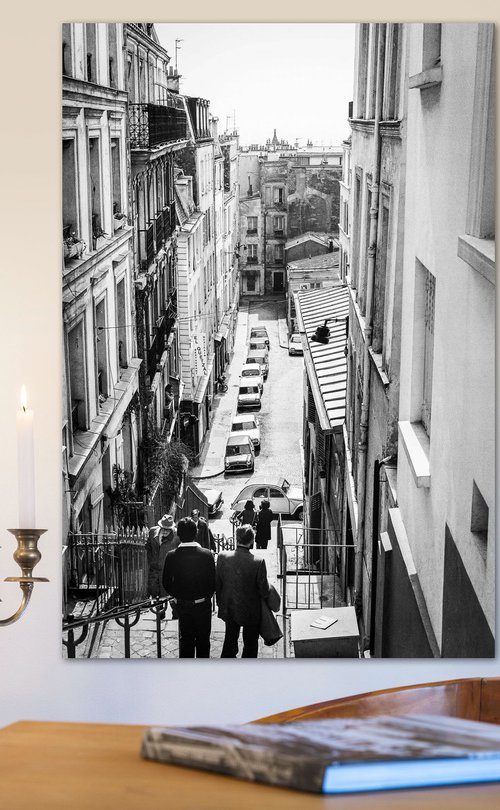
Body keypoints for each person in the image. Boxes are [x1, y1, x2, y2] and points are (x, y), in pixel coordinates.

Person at [162, 517, 216, 658]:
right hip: (202, 604)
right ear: (196, 532)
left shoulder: (171, 556)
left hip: (183, 605)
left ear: (178, 534)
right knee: (203, 641)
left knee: (186, 641)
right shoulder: (207, 555)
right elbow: (213, 582)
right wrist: (205, 596)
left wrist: (178, 595)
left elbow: (166, 582)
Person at [216, 524, 270, 658]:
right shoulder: (259, 561)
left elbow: (218, 584)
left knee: (229, 640)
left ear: (236, 538)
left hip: (229, 607)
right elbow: (264, 591)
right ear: (252, 541)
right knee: (250, 645)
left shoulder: (222, 557)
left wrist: (220, 603)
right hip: (251, 611)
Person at [145, 514, 179, 598]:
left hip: (169, 572)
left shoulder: (177, 535)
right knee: (155, 596)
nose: (165, 531)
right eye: (163, 528)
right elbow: (148, 547)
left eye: (168, 529)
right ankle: (159, 610)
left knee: (170, 597)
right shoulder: (152, 532)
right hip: (155, 571)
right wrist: (151, 561)